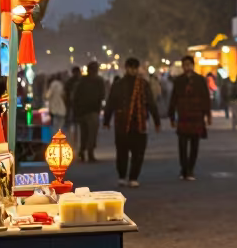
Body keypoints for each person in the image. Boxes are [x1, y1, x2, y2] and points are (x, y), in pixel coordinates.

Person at [103, 58, 161, 187]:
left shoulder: (143, 84)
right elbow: (111, 102)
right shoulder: (118, 84)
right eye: (131, 68)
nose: (133, 71)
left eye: (135, 68)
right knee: (122, 152)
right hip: (122, 123)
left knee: (138, 152)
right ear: (126, 68)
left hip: (139, 123)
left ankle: (133, 177)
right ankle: (122, 176)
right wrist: (107, 119)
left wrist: (157, 120)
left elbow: (151, 103)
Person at [169, 55, 212, 181]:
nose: (187, 67)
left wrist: (208, 115)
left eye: (189, 65)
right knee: (182, 144)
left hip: (196, 115)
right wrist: (171, 116)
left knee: (194, 144)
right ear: (182, 67)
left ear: (193, 66)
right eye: (185, 65)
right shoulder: (179, 81)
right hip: (183, 115)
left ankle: (190, 169)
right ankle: (184, 168)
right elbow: (174, 99)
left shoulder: (200, 80)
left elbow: (206, 98)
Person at [72, 61, 106, 162]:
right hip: (93, 110)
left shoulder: (81, 81)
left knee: (84, 133)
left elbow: (75, 96)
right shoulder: (99, 81)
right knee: (92, 133)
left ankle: (82, 151)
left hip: (82, 111)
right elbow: (102, 95)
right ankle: (90, 152)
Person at [64, 65, 82, 143]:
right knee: (78, 128)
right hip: (79, 108)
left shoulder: (69, 82)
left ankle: (72, 143)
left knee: (72, 127)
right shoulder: (82, 81)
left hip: (72, 107)